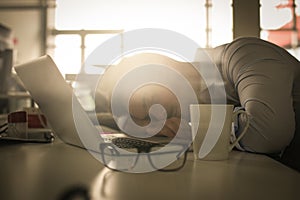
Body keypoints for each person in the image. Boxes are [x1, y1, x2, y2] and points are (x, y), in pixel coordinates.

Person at [95, 37, 300, 168]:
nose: (158, 116)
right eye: (148, 118)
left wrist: (199, 133)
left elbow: (269, 135)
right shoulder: (196, 102)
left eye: (151, 100)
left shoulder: (243, 54)